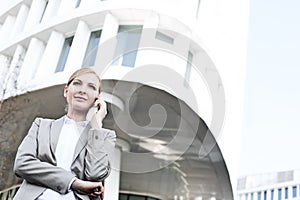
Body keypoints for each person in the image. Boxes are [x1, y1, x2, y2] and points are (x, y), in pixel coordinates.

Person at [13, 67, 116, 200]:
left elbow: (95, 175)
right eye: (77, 83)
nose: (82, 90)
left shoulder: (104, 136)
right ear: (66, 91)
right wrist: (73, 182)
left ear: (97, 99)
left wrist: (96, 126)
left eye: (91, 87)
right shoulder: (41, 125)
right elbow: (22, 164)